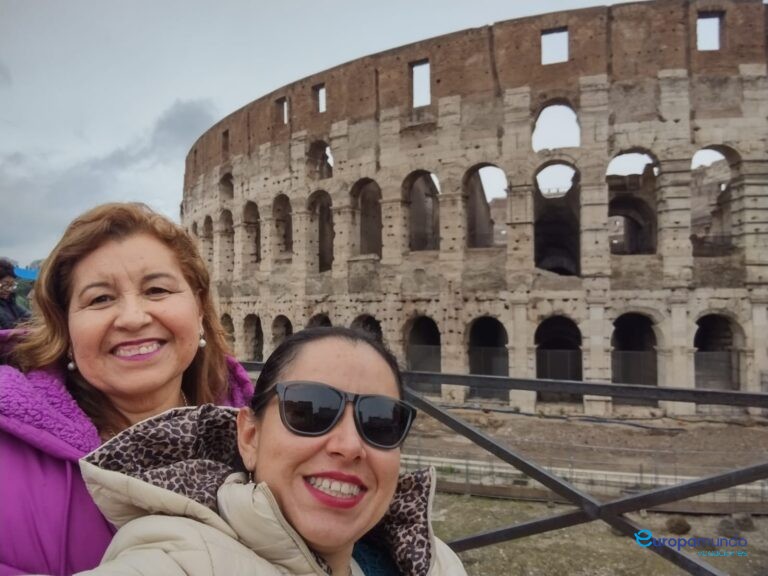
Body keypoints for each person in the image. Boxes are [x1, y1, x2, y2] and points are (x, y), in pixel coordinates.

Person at [75, 327, 467, 576]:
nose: (349, 446)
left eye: (380, 421)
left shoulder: (435, 562)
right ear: (249, 437)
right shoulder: (184, 558)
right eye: (309, 410)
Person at [0, 203, 253, 576]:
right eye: (100, 298)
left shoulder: (266, 437)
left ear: (199, 309)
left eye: (156, 289)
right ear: (65, 329)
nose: (133, 318)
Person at [0, 259, 30, 329]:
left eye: (12, 285)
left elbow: (27, 315)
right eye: (5, 284)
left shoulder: (10, 302)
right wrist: (16, 329)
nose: (9, 289)